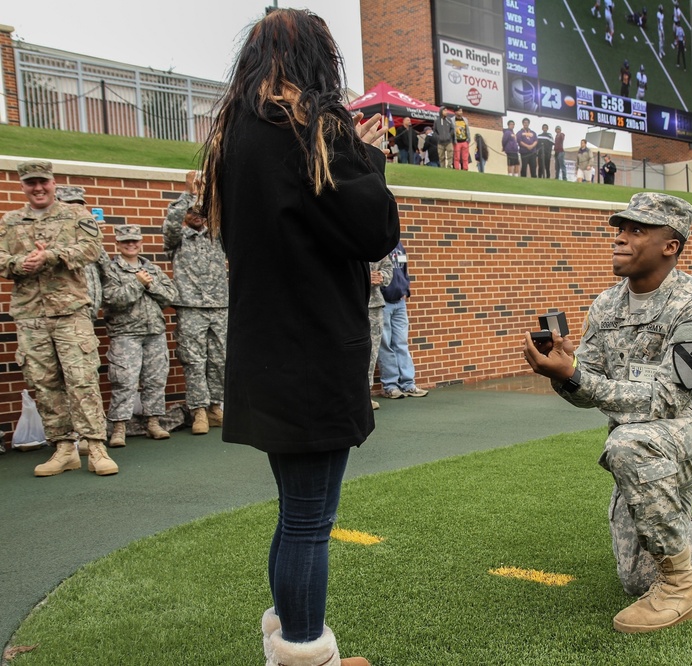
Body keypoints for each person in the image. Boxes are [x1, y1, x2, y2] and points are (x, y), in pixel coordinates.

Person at [199, 9, 399, 665]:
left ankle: (291, 644)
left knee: (297, 514)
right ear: (318, 60)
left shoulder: (235, 136)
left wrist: (353, 154)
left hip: (267, 353)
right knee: (311, 519)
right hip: (312, 352)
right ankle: (307, 653)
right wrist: (368, 156)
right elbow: (373, 231)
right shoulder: (309, 129)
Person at [523, 192, 692, 634]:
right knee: (638, 579)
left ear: (671, 245)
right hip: (645, 442)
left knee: (625, 445)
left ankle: (683, 588)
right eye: (619, 229)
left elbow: (668, 398)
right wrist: (565, 372)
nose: (620, 239)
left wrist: (579, 377)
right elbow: (589, 391)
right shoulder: (606, 306)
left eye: (636, 230)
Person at [0, 160, 117, 477]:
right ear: (22, 185)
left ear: (53, 183)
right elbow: (1, 258)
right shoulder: (10, 221)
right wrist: (20, 262)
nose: (38, 188)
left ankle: (95, 448)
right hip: (30, 314)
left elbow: (92, 248)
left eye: (43, 182)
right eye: (30, 183)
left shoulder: (76, 215)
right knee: (44, 383)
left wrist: (51, 255)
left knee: (82, 379)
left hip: (70, 312)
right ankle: (64, 448)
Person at [163, 170, 230, 435]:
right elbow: (170, 224)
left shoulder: (217, 238)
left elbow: (228, 218)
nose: (197, 215)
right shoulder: (177, 240)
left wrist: (209, 193)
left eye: (201, 211)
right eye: (192, 211)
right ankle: (198, 411)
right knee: (194, 361)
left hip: (220, 306)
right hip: (191, 308)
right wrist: (188, 193)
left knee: (220, 360)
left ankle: (215, 407)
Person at [101, 224, 178, 445]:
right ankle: (119, 428)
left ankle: (153, 423)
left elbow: (170, 295)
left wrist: (150, 285)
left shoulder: (152, 269)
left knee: (155, 378)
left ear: (140, 242)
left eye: (135, 241)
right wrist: (137, 283)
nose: (131, 245)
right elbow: (112, 299)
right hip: (126, 334)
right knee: (124, 381)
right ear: (118, 244)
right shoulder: (110, 270)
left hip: (154, 332)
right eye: (126, 242)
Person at [378, 241, 430, 400]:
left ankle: (408, 384)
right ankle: (390, 386)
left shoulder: (398, 247)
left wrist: (406, 290)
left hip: (400, 303)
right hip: (383, 303)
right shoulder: (377, 246)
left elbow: (403, 271)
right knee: (385, 345)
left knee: (401, 343)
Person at [55, 186, 110, 323]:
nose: (75, 209)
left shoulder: (86, 233)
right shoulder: (52, 233)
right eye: (69, 204)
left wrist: (93, 236)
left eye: (79, 205)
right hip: (65, 312)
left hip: (88, 310)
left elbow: (106, 267)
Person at [368, 256, 394, 409]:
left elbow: (388, 268)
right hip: (348, 306)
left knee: (371, 352)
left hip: (374, 306)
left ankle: (366, 395)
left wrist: (382, 276)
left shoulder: (376, 246)